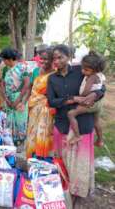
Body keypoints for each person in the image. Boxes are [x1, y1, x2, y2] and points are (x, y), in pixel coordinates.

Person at [47, 44, 105, 203]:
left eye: (61, 57)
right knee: (64, 161)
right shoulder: (52, 78)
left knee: (80, 162)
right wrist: (73, 99)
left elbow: (101, 87)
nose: (57, 61)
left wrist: (95, 94)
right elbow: (51, 101)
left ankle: (78, 193)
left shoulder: (82, 70)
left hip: (83, 123)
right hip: (62, 124)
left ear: (69, 56)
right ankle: (64, 190)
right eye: (54, 58)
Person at [67, 51, 105, 146]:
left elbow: (86, 91)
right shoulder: (100, 75)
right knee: (96, 122)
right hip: (99, 103)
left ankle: (77, 136)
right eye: (82, 68)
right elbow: (101, 87)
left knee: (71, 114)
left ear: (95, 69)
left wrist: (79, 97)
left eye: (86, 70)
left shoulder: (91, 77)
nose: (82, 71)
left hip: (90, 103)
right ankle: (100, 140)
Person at [25, 48, 55, 159]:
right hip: (33, 108)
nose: (42, 61)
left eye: (46, 59)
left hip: (46, 110)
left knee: (42, 136)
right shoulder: (36, 71)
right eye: (41, 58)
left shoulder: (55, 74)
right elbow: (31, 87)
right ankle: (32, 162)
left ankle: (42, 163)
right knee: (32, 135)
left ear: (52, 60)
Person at [0, 48, 30, 146]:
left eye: (4, 59)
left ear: (9, 59)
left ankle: (20, 142)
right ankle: (11, 141)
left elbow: (27, 84)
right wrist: (6, 99)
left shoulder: (22, 67)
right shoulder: (5, 69)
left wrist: (18, 100)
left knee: (20, 120)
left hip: (19, 97)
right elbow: (2, 84)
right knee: (9, 120)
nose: (3, 62)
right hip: (8, 98)